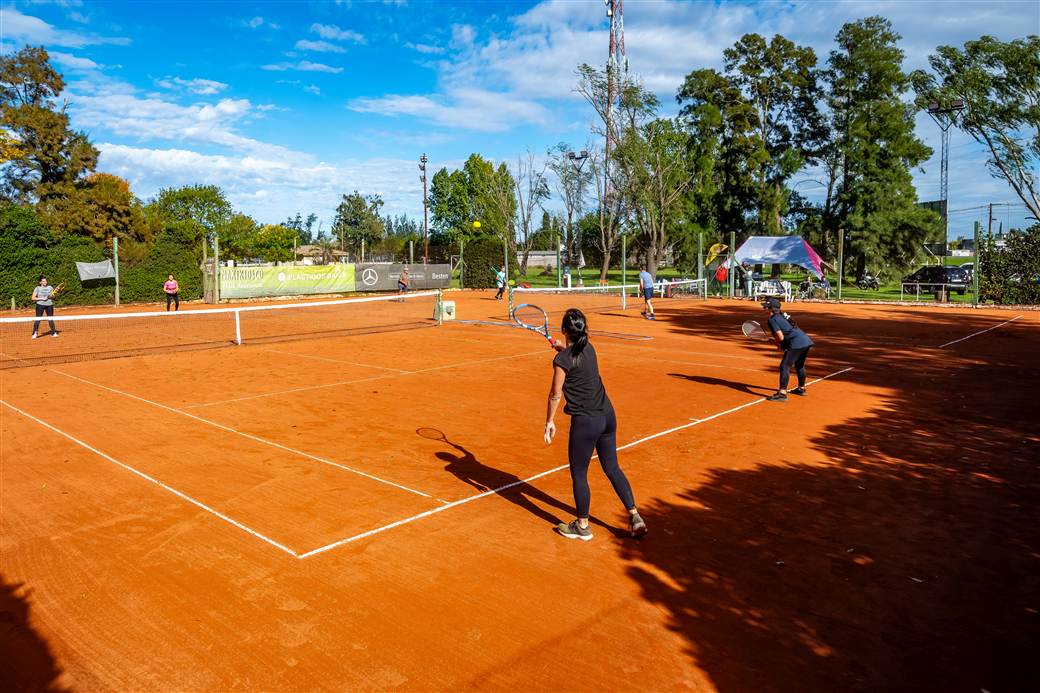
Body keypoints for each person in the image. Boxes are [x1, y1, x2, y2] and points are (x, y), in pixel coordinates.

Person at [544, 308, 647, 541]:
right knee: (612, 467)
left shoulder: (562, 360)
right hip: (608, 417)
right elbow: (576, 359)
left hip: (586, 423)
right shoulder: (589, 349)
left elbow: (555, 394)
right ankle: (635, 515)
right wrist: (565, 350)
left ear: (563, 330)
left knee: (579, 473)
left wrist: (549, 421)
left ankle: (582, 526)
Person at [761, 297, 813, 402]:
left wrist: (777, 342)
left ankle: (782, 394)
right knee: (799, 365)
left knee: (785, 366)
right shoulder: (783, 315)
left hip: (796, 343)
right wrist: (780, 344)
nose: (765, 308)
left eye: (767, 306)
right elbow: (786, 333)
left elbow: (780, 337)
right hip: (805, 341)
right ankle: (801, 388)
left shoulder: (772, 319)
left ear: (771, 308)